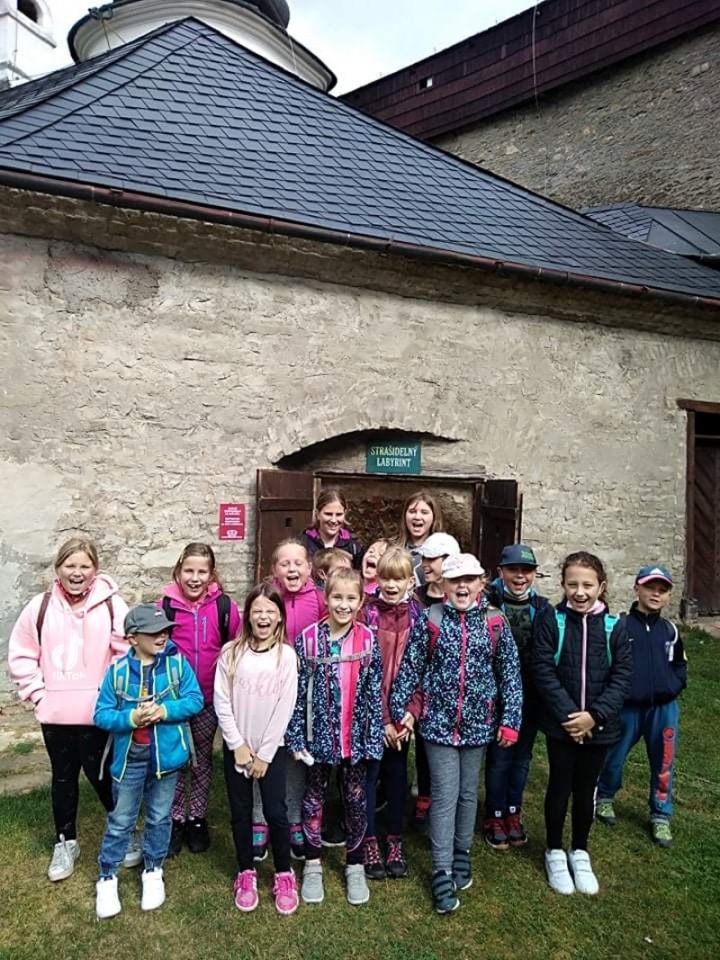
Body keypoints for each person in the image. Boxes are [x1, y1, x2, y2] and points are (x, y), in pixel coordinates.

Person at [390, 554, 522, 914]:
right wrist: (399, 712)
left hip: (479, 726)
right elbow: (411, 667)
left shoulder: (495, 622)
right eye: (454, 580)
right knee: (445, 795)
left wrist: (510, 720)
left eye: (469, 580)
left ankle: (462, 851)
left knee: (467, 794)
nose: (462, 587)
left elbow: (510, 674)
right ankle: (442, 869)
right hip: (437, 725)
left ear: (481, 583)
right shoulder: (430, 619)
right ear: (443, 585)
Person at [7, 537, 129, 883]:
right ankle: (66, 841)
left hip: (98, 714)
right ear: (58, 568)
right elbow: (22, 654)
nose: (77, 573)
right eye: (70, 565)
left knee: (103, 776)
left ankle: (122, 833)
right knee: (63, 778)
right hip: (56, 715)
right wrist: (38, 695)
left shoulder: (112, 606)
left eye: (84, 566)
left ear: (95, 570)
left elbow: (125, 652)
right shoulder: (39, 607)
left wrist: (110, 696)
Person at [93, 603, 203, 918]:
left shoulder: (177, 665)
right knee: (121, 820)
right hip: (130, 761)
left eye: (165, 630)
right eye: (154, 632)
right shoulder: (117, 673)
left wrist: (165, 711)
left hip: (166, 761)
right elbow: (101, 715)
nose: (162, 636)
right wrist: (131, 718)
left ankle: (153, 870)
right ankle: (107, 875)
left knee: (159, 816)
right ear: (132, 638)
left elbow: (195, 700)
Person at [533, 552, 632, 896]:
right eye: (572, 584)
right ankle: (554, 850)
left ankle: (580, 849)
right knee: (559, 786)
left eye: (587, 585)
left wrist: (595, 716)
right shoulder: (552, 620)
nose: (579, 592)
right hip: (562, 726)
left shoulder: (615, 626)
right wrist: (571, 717)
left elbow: (622, 677)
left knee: (586, 788)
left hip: (600, 728)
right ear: (563, 585)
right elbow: (543, 670)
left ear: (601, 587)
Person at [286, 567, 383, 907]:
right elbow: (297, 692)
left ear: (360, 602)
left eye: (351, 598)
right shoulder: (308, 640)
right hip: (318, 739)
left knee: (355, 800)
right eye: (337, 597)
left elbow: (373, 692)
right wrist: (296, 737)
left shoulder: (368, 640)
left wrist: (372, 739)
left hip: (355, 739)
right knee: (314, 798)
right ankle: (312, 862)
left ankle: (354, 863)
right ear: (326, 599)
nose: (344, 605)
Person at [214, 584, 300, 915]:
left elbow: (284, 707)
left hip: (270, 751)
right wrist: (236, 744)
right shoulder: (231, 653)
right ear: (248, 616)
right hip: (238, 748)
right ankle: (246, 871)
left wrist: (265, 754)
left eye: (270, 611)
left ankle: (283, 873)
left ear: (280, 617)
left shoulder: (286, 656)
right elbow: (222, 701)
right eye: (257, 611)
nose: (263, 617)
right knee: (241, 812)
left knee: (276, 813)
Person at [596, 565, 686, 847]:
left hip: (663, 709)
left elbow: (680, 665)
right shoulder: (620, 625)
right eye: (650, 588)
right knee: (614, 756)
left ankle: (660, 814)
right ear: (637, 589)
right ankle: (605, 796)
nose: (655, 594)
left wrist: (672, 686)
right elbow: (608, 664)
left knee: (664, 762)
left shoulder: (670, 630)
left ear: (668, 595)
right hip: (627, 708)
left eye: (662, 590)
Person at [160, 543, 241, 858]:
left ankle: (196, 817)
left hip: (208, 700)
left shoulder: (224, 607)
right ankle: (175, 818)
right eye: (189, 571)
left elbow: (234, 647)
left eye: (202, 572)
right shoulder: (165, 607)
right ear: (178, 572)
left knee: (201, 760)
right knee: (176, 759)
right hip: (175, 702)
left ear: (211, 574)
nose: (194, 578)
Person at [255, 538, 326, 861]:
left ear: (309, 568)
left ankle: (294, 818)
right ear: (274, 569)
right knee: (264, 747)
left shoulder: (320, 599)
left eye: (298, 563)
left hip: (306, 689)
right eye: (285, 563)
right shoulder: (266, 597)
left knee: (297, 752)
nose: (292, 569)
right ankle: (260, 818)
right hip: (268, 687)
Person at [483, 544, 552, 850]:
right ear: (501, 571)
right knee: (500, 757)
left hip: (531, 696)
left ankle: (513, 810)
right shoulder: (488, 602)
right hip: (495, 694)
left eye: (526, 571)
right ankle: (495, 813)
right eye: (513, 570)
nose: (520, 576)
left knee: (522, 756)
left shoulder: (543, 608)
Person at [359, 546, 421, 879]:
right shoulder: (367, 613)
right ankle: (369, 840)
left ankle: (394, 839)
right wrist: (382, 718)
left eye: (399, 579)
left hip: (403, 717)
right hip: (373, 713)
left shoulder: (419, 615)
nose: (392, 585)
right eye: (386, 578)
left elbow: (423, 667)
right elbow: (365, 670)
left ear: (411, 580)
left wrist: (411, 713)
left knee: (397, 775)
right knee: (370, 775)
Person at [411, 532, 461, 832]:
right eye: (424, 558)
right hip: (417, 682)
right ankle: (423, 795)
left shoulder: (458, 598)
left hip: (447, 686)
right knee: (421, 744)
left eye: (432, 559)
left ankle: (443, 802)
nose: (425, 565)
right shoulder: (415, 595)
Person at [300, 489, 363, 569]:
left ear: (345, 514)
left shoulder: (354, 547)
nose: (333, 520)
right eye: (328, 514)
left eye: (339, 514)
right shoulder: (303, 544)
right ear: (317, 514)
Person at [396, 489, 444, 586]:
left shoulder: (444, 551)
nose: (417, 517)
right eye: (412, 511)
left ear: (434, 518)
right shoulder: (392, 548)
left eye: (424, 512)